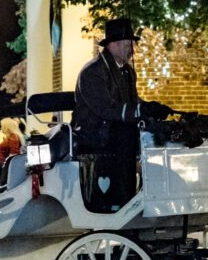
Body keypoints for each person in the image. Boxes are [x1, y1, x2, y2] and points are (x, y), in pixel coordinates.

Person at [72, 17, 173, 211]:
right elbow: (106, 109)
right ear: (113, 44)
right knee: (127, 134)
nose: (132, 49)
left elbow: (132, 102)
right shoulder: (92, 72)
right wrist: (140, 110)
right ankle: (122, 198)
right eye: (128, 45)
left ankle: (155, 191)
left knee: (154, 132)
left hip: (115, 129)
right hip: (93, 133)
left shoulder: (127, 72)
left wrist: (151, 108)